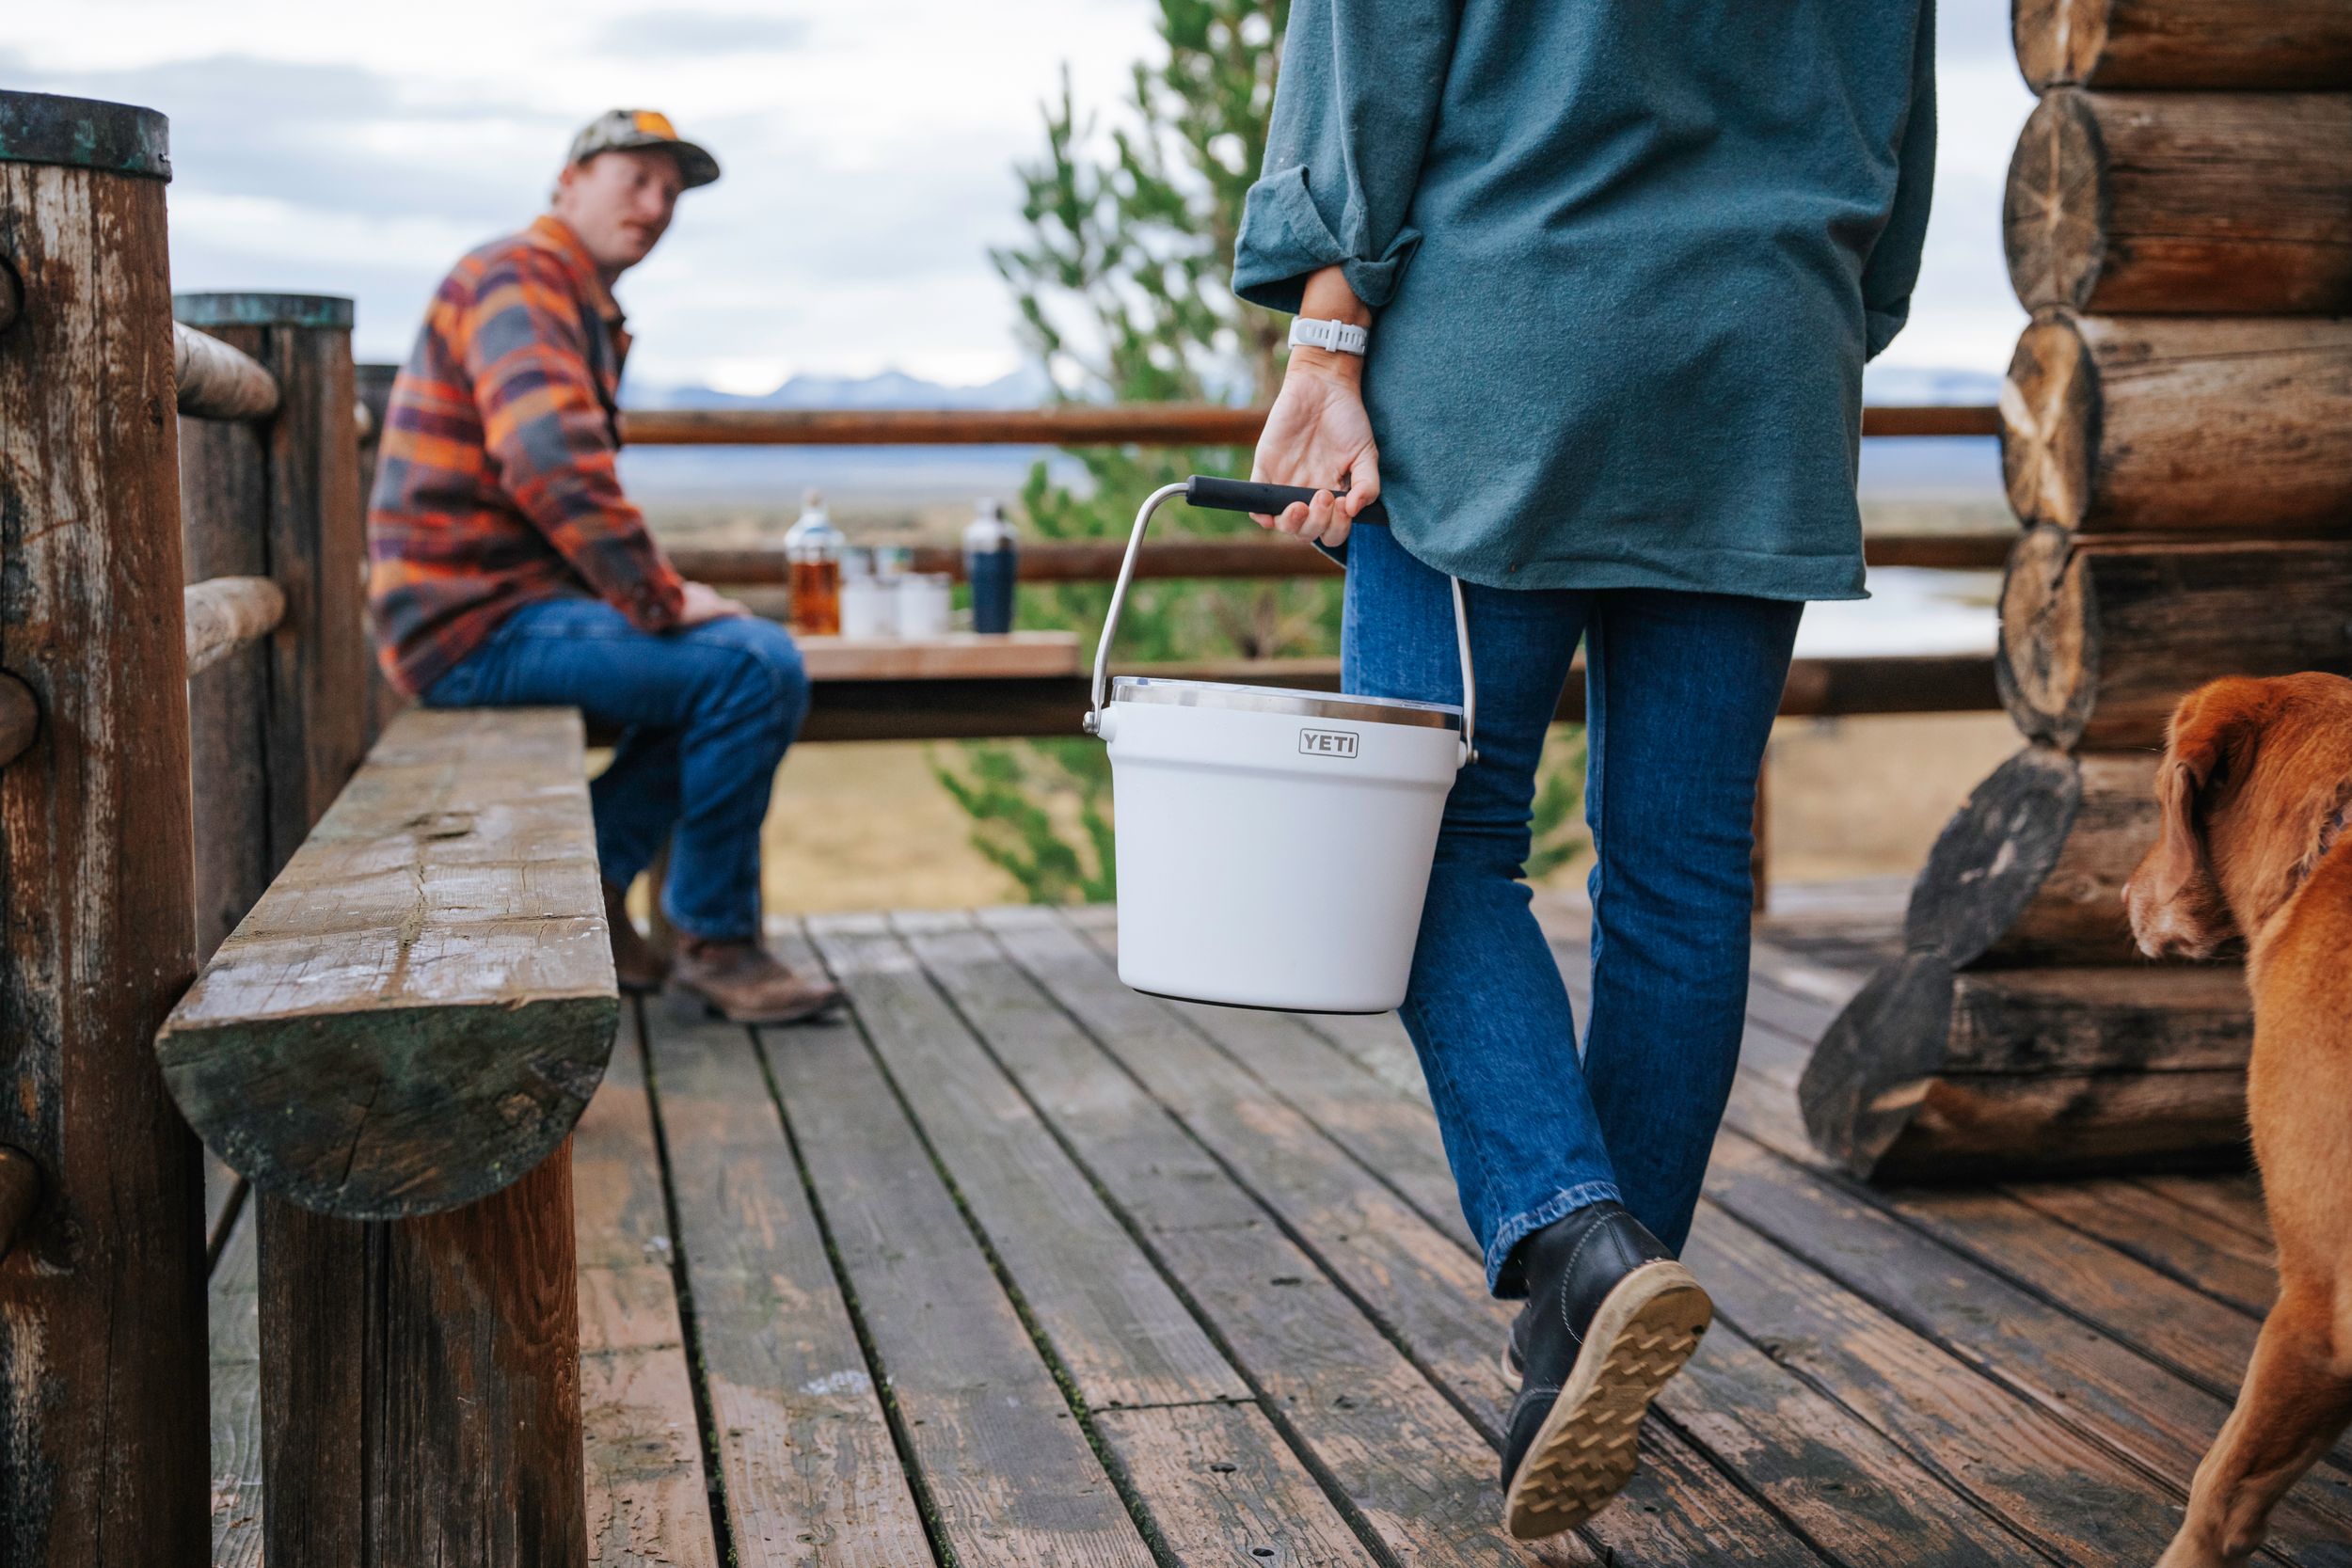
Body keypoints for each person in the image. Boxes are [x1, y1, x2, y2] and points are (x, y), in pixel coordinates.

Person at [1233, 0, 1936, 1541]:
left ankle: (1574, 1239)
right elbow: (1902, 154)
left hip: (1507, 343)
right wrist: (1784, 298)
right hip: (1762, 358)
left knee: (1420, 841)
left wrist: (1328, 331)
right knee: (1679, 866)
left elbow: (1372, 56)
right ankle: (1583, 1349)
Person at [367, 109, 841, 1025]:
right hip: (473, 626)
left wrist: (663, 606)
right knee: (753, 664)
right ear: (568, 181)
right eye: (637, 178)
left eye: (672, 191)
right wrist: (661, 600)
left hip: (485, 613)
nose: (657, 204)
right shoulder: (524, 274)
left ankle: (591, 881)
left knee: (720, 673)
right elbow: (549, 456)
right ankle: (714, 940)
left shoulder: (564, 293)